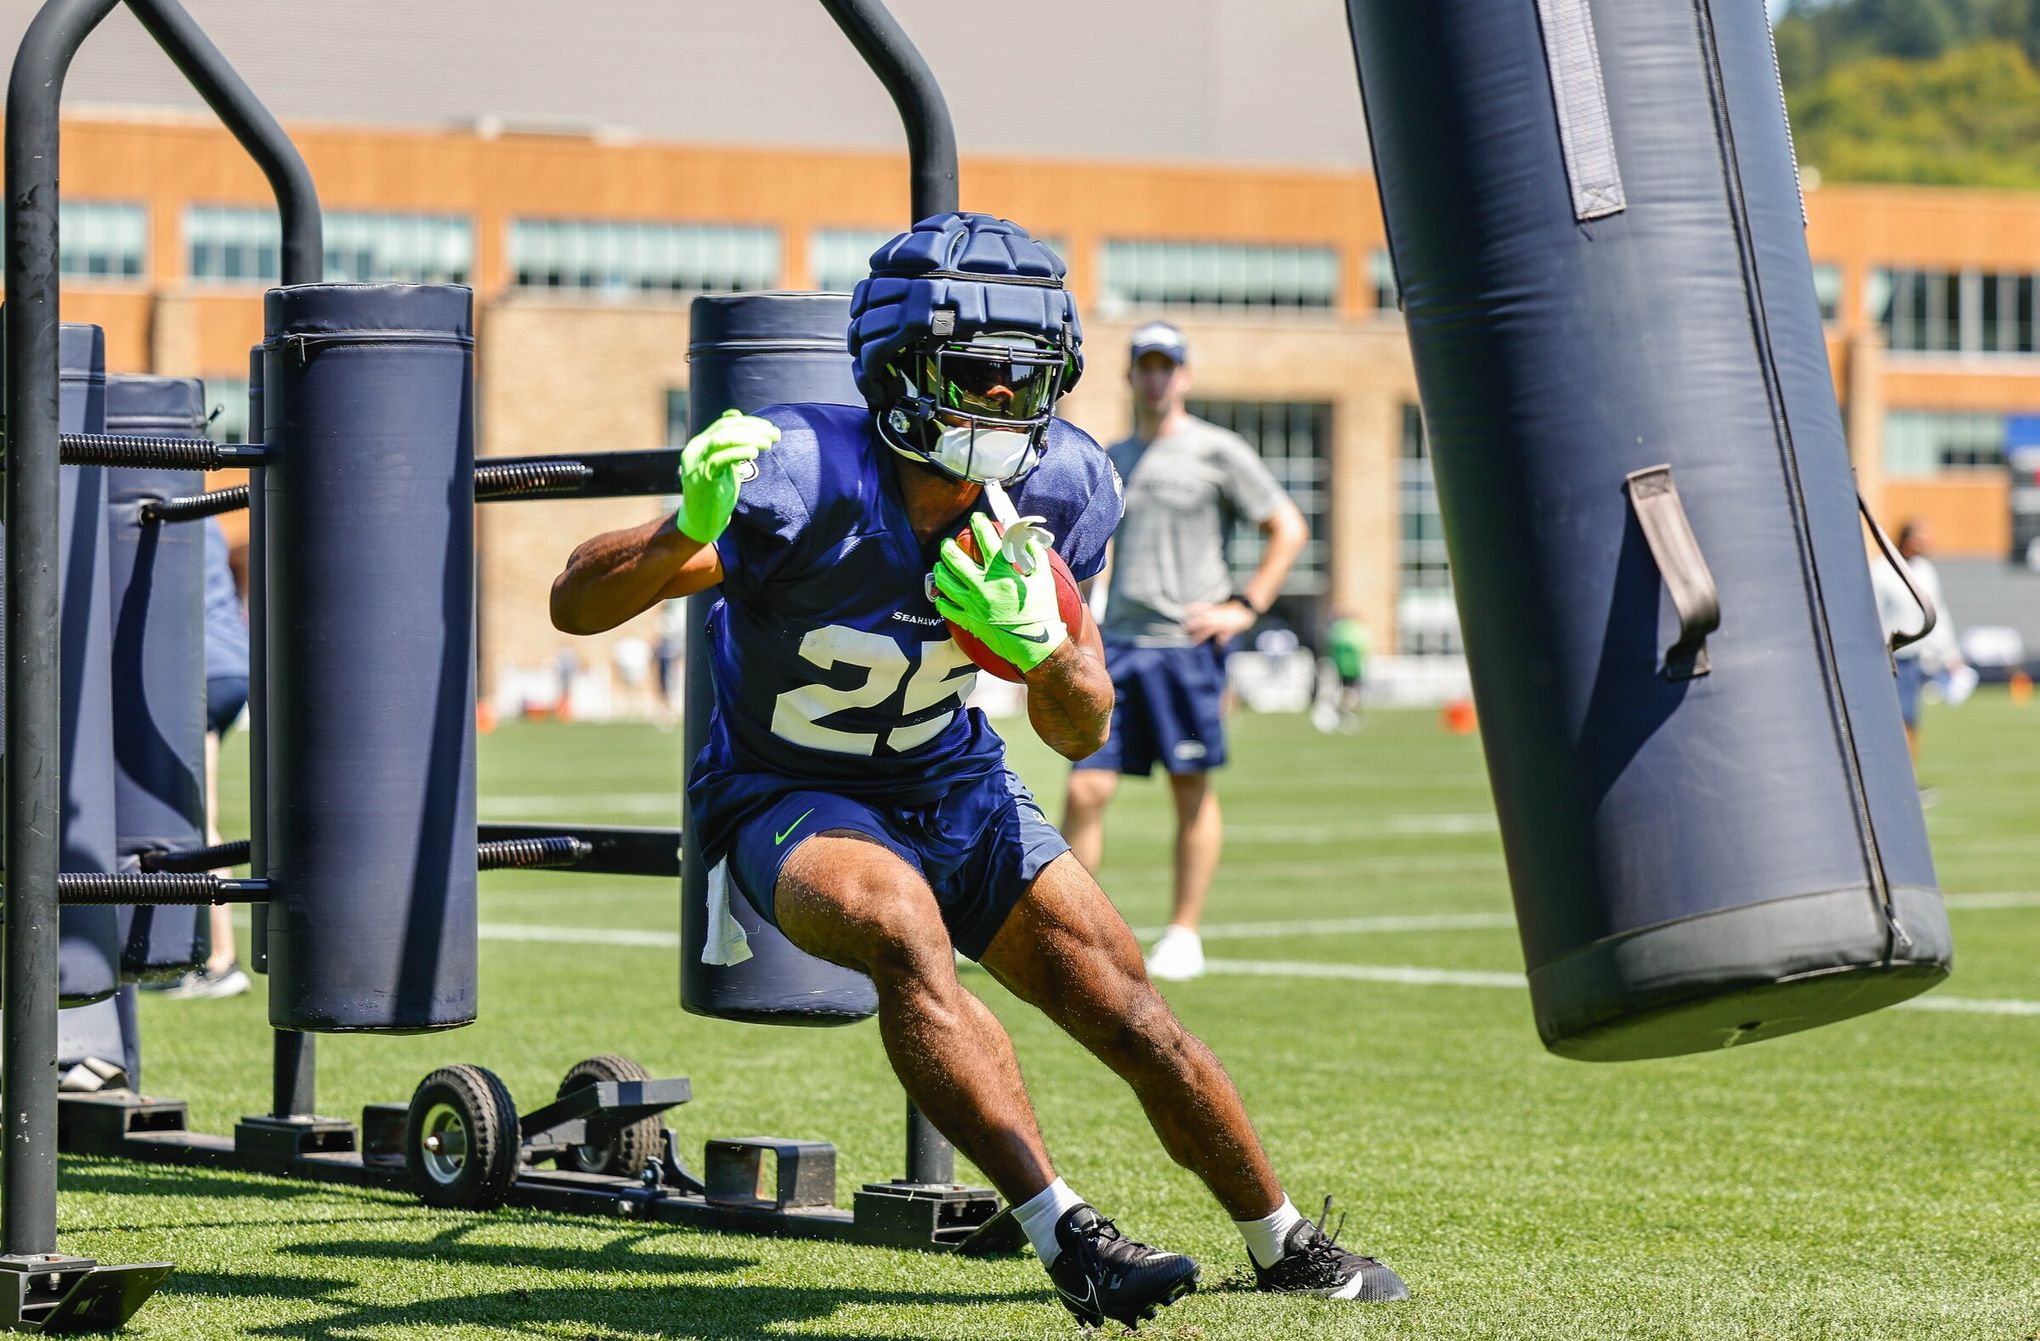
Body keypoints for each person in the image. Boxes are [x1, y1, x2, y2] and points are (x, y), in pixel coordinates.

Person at [550, 214, 1406, 1327]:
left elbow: (1081, 727)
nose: (1006, 404)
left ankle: (1281, 1237)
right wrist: (677, 531)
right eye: (978, 377)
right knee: (903, 926)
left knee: (1129, 1008)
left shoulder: (1067, 488)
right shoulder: (803, 473)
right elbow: (576, 603)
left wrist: (1048, 652)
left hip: (953, 779)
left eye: (1026, 379)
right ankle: (1068, 1232)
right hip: (786, 790)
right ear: (900, 370)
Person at [1060, 321, 1309, 982]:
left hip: (1186, 649)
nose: (1155, 375)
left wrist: (1245, 606)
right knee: (1086, 787)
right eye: (1144, 363)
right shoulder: (1110, 458)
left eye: (1166, 364)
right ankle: (1073, 932)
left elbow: (1287, 526)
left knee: (1189, 788)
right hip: (1118, 645)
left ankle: (1184, 932)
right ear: (1130, 374)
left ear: (1185, 375)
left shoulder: (1217, 451)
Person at [157, 517, 252, 999]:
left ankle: (220, 961)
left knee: (200, 817)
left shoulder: (166, 509)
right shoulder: (208, 517)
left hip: (203, 667)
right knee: (193, 810)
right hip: (232, 664)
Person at [1872, 518, 1966, 771]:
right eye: (1923, 536)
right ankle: (1894, 775)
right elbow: (1872, 614)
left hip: (1913, 657)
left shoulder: (1925, 570)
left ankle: (1908, 778)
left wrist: (1950, 653)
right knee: (1895, 719)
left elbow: (1937, 612)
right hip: (1887, 657)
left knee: (1911, 718)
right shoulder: (1881, 570)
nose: (1929, 541)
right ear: (1909, 539)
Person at [1313, 612, 1369, 734]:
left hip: (1341, 666)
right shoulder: (1356, 630)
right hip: (1352, 667)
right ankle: (1347, 713)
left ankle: (1344, 713)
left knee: (1343, 692)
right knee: (1350, 692)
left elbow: (1330, 646)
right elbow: (1363, 648)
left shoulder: (1338, 630)